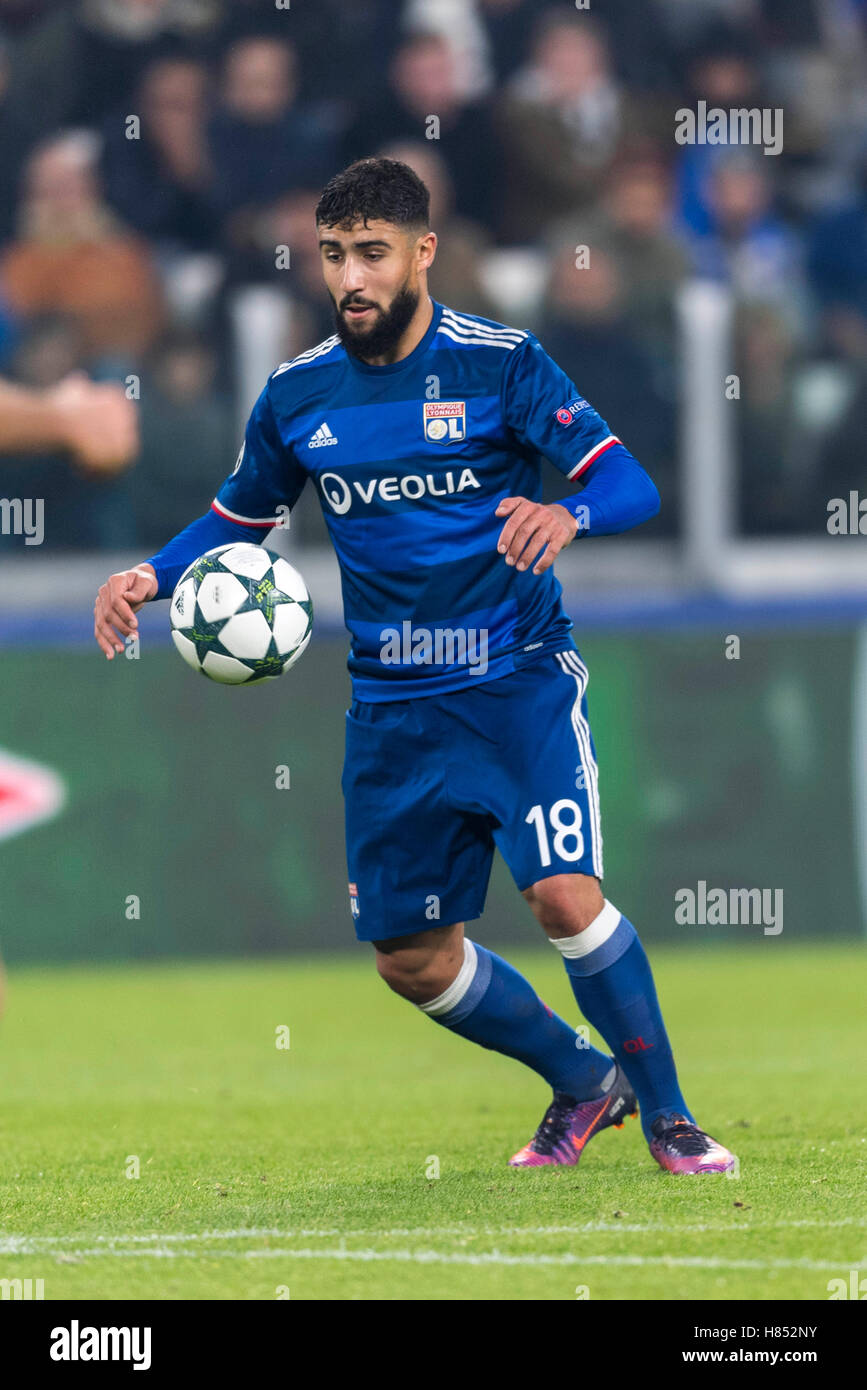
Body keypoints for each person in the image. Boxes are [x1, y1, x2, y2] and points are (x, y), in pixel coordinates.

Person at [93, 158, 735, 1175]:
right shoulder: (300, 390)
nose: (351, 276)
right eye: (335, 255)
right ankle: (582, 1079)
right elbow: (245, 514)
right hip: (391, 708)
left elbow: (631, 482)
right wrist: (151, 574)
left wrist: (566, 511)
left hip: (515, 679)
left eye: (372, 254)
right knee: (411, 959)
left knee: (563, 895)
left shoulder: (502, 363)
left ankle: (673, 1118)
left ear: (422, 254)